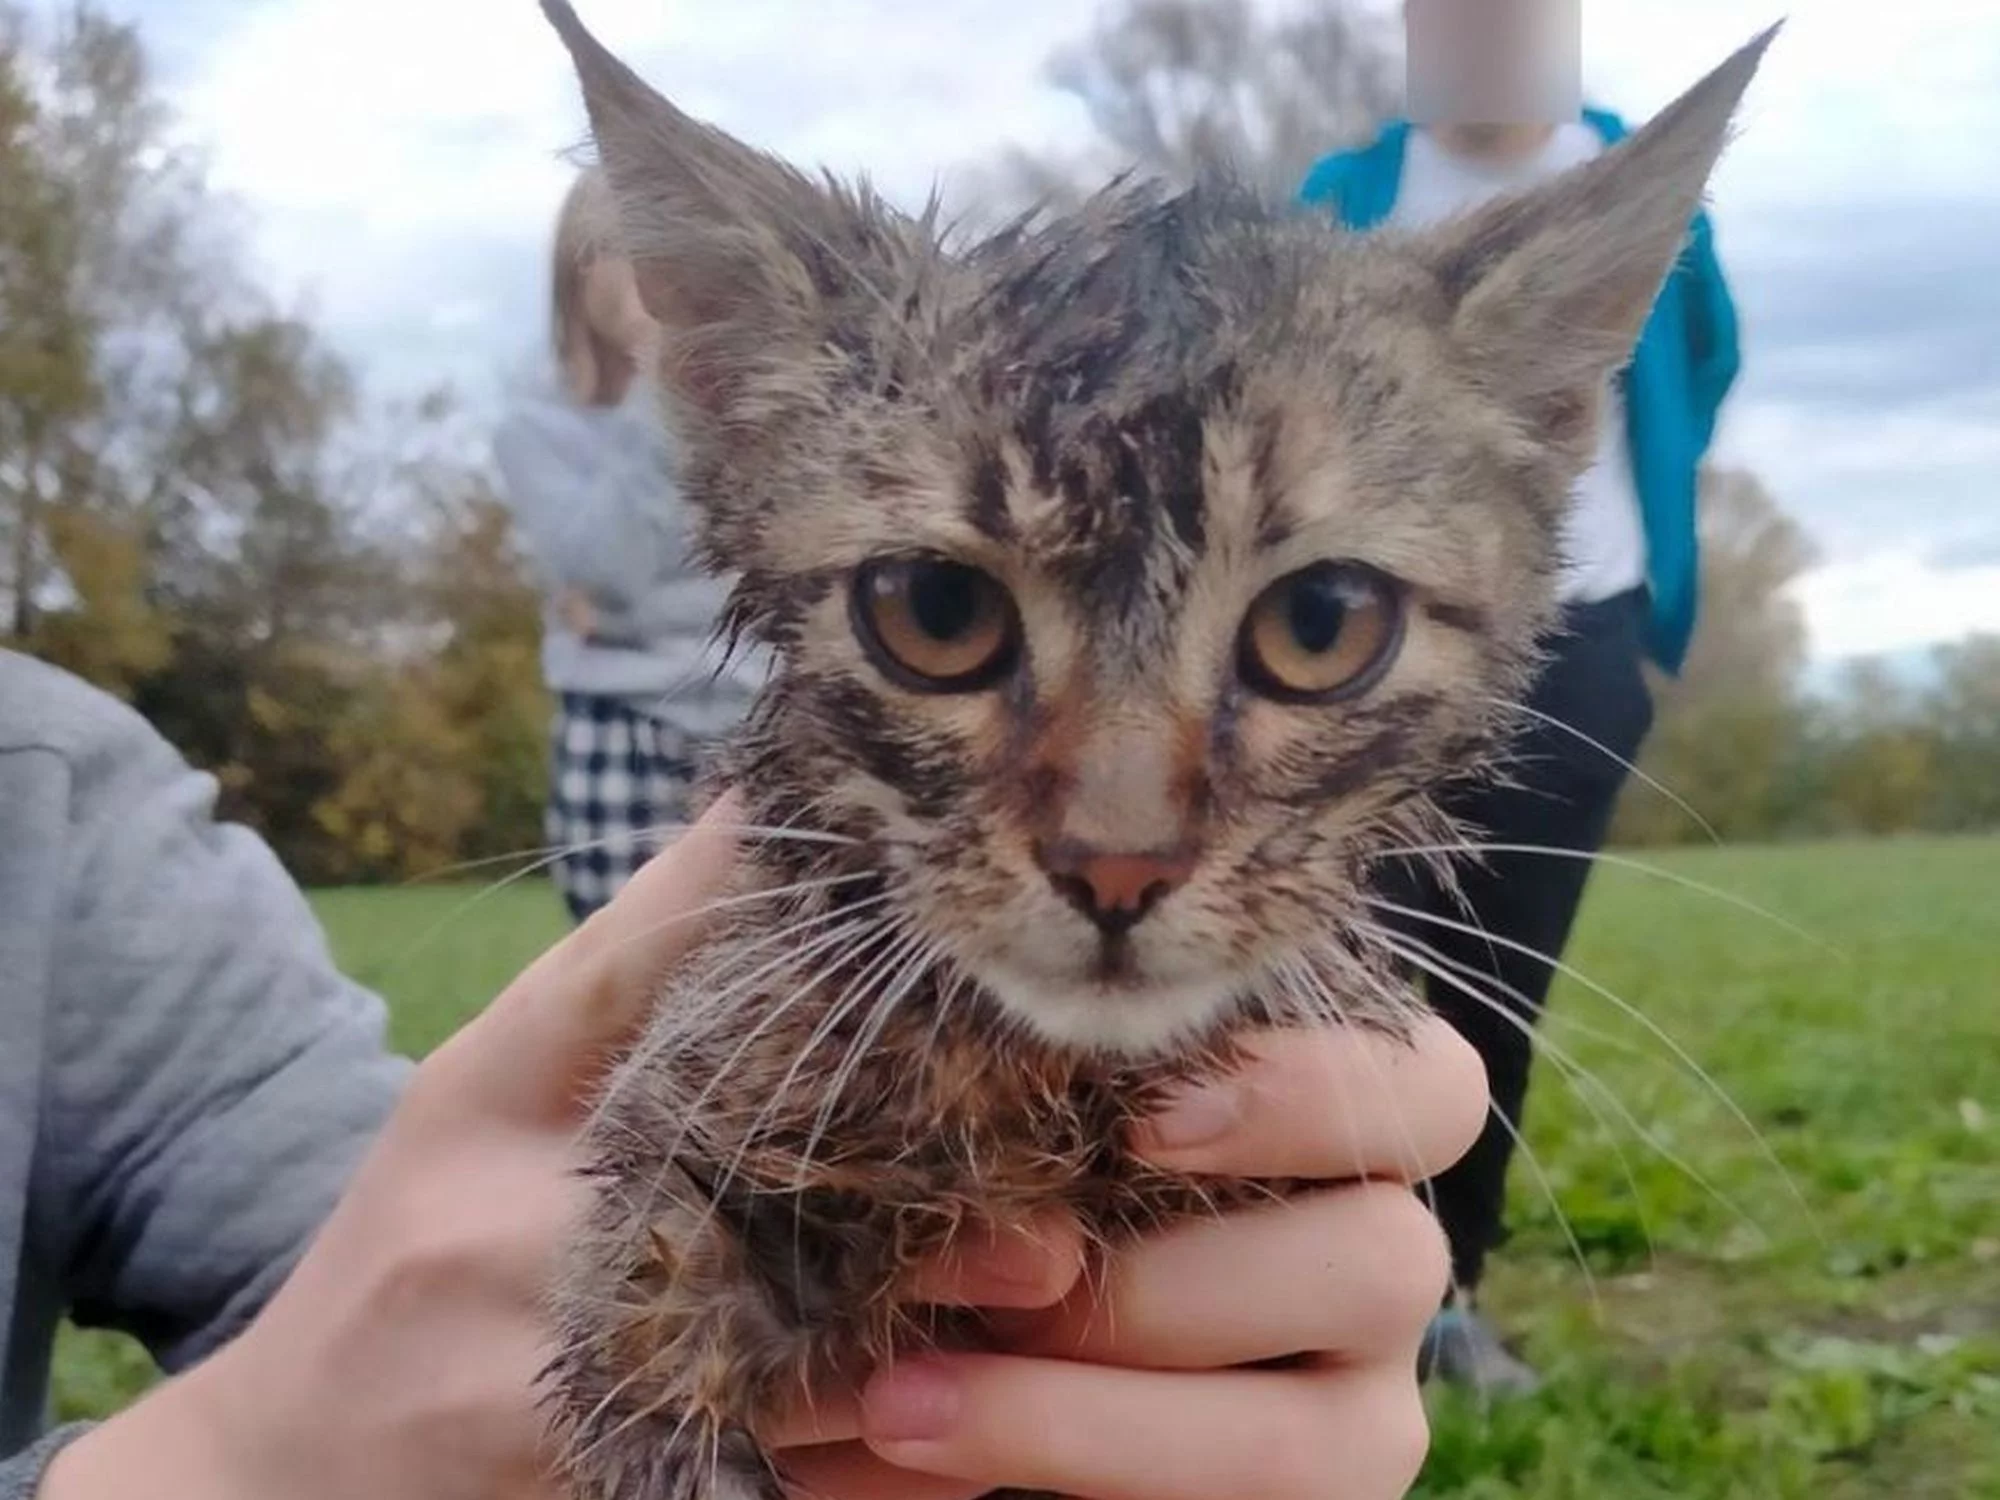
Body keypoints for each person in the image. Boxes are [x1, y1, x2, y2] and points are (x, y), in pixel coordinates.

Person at [0, 647, 1488, 1500]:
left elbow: (349, 1239)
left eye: (1315, 624)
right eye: (946, 610)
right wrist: (228, 1463)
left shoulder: (58, 797)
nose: (1120, 829)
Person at [1297, 0, 1741, 1395]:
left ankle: (1449, 1295)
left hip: (1584, 633)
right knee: (1337, 977)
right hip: (1361, 660)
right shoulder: (1345, 200)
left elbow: (1702, 364)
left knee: (1501, 986)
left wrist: (1641, 540)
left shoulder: (1640, 186)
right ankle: (1307, 1296)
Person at [493, 167, 761, 926]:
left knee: (764, 972)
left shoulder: (742, 413)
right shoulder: (534, 429)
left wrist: (628, 612)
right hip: (617, 724)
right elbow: (604, 569)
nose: (653, 274)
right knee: (618, 978)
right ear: (578, 274)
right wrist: (661, 381)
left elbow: (762, 563)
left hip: (751, 715)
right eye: (627, 250)